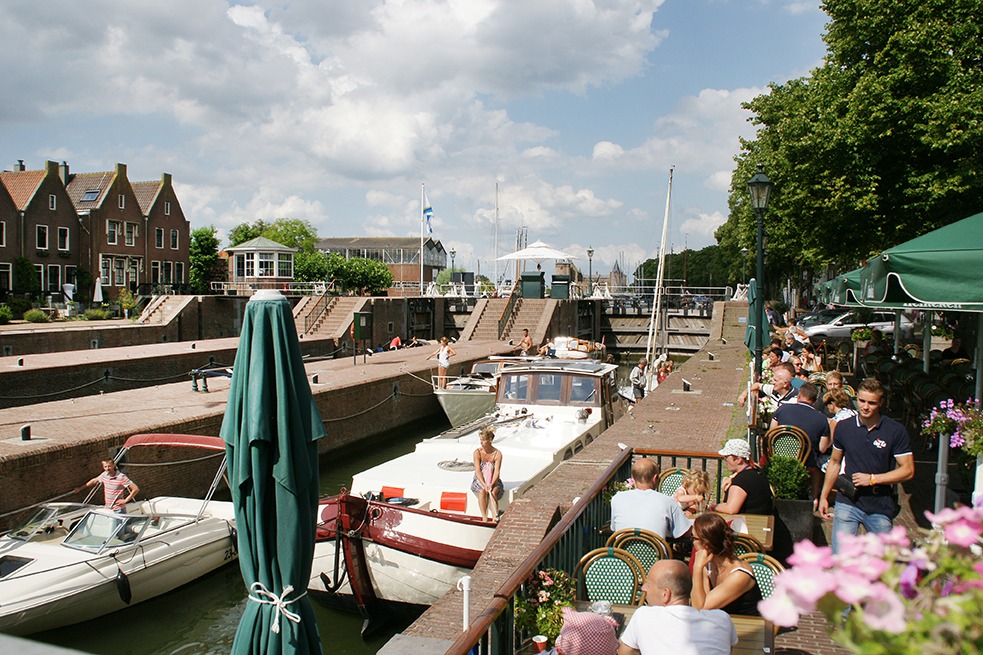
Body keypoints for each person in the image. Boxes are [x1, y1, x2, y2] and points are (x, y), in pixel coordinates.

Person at [818, 378, 915, 553]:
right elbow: (834, 462)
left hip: (880, 504)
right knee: (842, 559)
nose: (865, 407)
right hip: (848, 500)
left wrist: (872, 479)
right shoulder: (844, 427)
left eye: (872, 403)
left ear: (881, 403)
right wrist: (824, 495)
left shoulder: (894, 431)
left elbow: (907, 470)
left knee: (882, 563)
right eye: (862, 401)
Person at [618, 559, 737, 655]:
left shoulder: (643, 616)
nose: (643, 588)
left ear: (666, 594)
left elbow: (624, 653)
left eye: (648, 585)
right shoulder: (722, 619)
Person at [690, 513, 762, 616]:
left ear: (706, 545)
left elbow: (700, 609)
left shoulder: (739, 575)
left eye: (693, 538)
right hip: (722, 622)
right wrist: (700, 569)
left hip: (747, 627)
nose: (692, 542)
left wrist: (697, 568)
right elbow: (700, 603)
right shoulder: (709, 564)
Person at [771, 381, 830, 504]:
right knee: (817, 464)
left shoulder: (782, 409)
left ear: (799, 395)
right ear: (814, 400)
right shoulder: (822, 419)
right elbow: (822, 448)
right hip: (805, 462)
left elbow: (772, 433)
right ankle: (814, 498)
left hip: (778, 457)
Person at [610, 458, 691, 539]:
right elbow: (684, 532)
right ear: (655, 478)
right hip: (656, 551)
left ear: (633, 478)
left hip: (623, 550)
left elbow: (614, 529)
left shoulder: (617, 499)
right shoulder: (667, 501)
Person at [708, 439, 773, 515]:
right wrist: (732, 478)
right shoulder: (757, 471)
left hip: (747, 523)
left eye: (726, 457)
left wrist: (713, 507)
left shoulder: (742, 480)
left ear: (738, 459)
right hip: (763, 521)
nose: (725, 460)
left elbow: (731, 509)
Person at [471, 427, 503, 521]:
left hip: (493, 479)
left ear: (490, 440)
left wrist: (492, 484)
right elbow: (478, 471)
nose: (481, 443)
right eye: (481, 440)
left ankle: (494, 517)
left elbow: (497, 471)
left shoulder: (497, 454)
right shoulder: (477, 452)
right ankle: (484, 516)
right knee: (482, 491)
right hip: (480, 479)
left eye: (483, 440)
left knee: (493, 492)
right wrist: (485, 484)